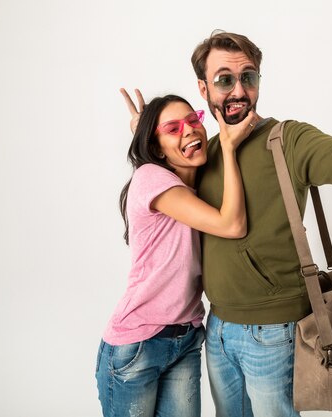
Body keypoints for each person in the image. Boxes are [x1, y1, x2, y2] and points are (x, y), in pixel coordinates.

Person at [124, 30, 332, 417]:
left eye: (249, 77)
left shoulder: (286, 140)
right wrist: (150, 132)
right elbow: (164, 181)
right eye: (224, 80)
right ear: (203, 89)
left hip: (272, 334)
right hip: (216, 328)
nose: (238, 90)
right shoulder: (201, 153)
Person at [95, 93, 256, 417]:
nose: (190, 130)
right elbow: (233, 224)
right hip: (137, 345)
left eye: (193, 120)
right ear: (155, 148)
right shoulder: (151, 178)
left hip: (185, 339)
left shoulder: (191, 185)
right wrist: (227, 146)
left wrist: (158, 134)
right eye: (173, 128)